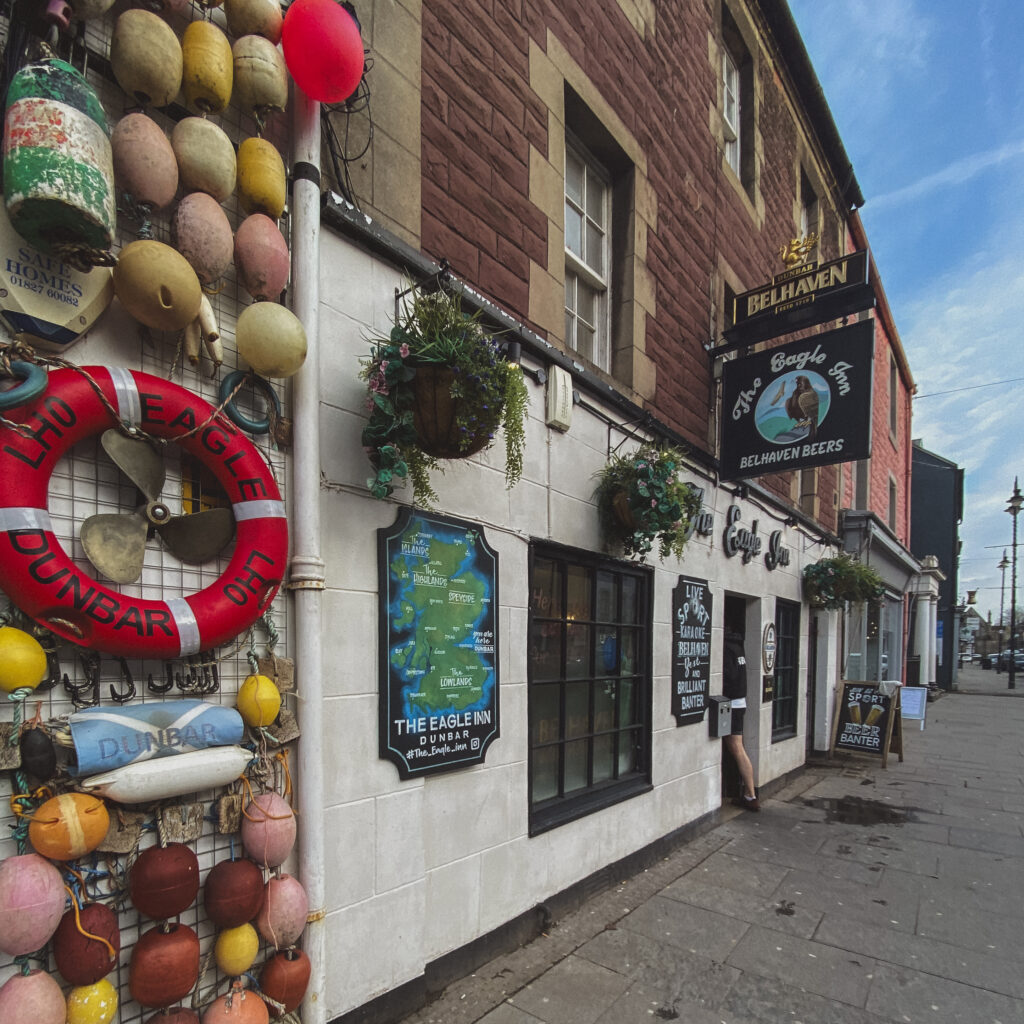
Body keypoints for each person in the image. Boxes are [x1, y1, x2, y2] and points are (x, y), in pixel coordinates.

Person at [722, 621, 759, 811]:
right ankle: (749, 795)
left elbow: (725, 677)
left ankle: (750, 795)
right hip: (740, 701)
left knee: (737, 749)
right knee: (738, 748)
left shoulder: (724, 647)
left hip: (730, 703)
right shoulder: (738, 646)